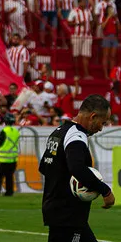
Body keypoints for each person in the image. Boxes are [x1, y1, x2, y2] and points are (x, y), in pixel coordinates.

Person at [39, 94, 115, 241]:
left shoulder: (59, 131)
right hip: (68, 213)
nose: (101, 128)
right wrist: (105, 191)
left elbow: (44, 166)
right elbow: (77, 168)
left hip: (57, 209)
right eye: (102, 123)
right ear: (92, 117)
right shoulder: (76, 136)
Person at [0, 113, 19, 196]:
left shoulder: (5, 130)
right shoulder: (16, 131)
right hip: (13, 158)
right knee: (9, 176)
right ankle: (9, 192)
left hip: (3, 158)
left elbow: (0, 142)